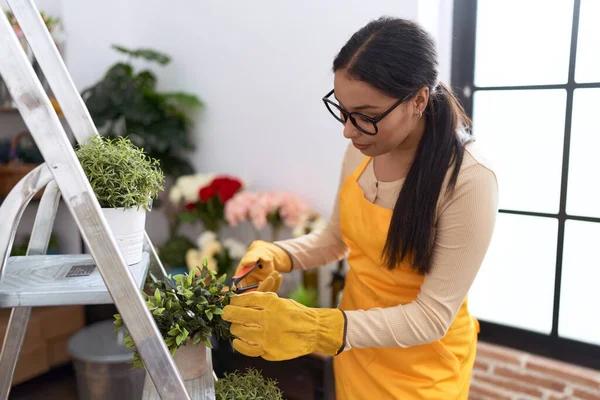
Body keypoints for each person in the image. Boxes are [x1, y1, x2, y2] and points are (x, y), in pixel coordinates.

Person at [222, 16, 498, 399]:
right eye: (343, 111)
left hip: (422, 372)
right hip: (354, 349)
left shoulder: (469, 179)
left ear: (418, 100)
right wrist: (278, 254)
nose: (348, 131)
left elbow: (431, 317)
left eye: (366, 116)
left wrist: (321, 329)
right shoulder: (362, 150)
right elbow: (336, 238)